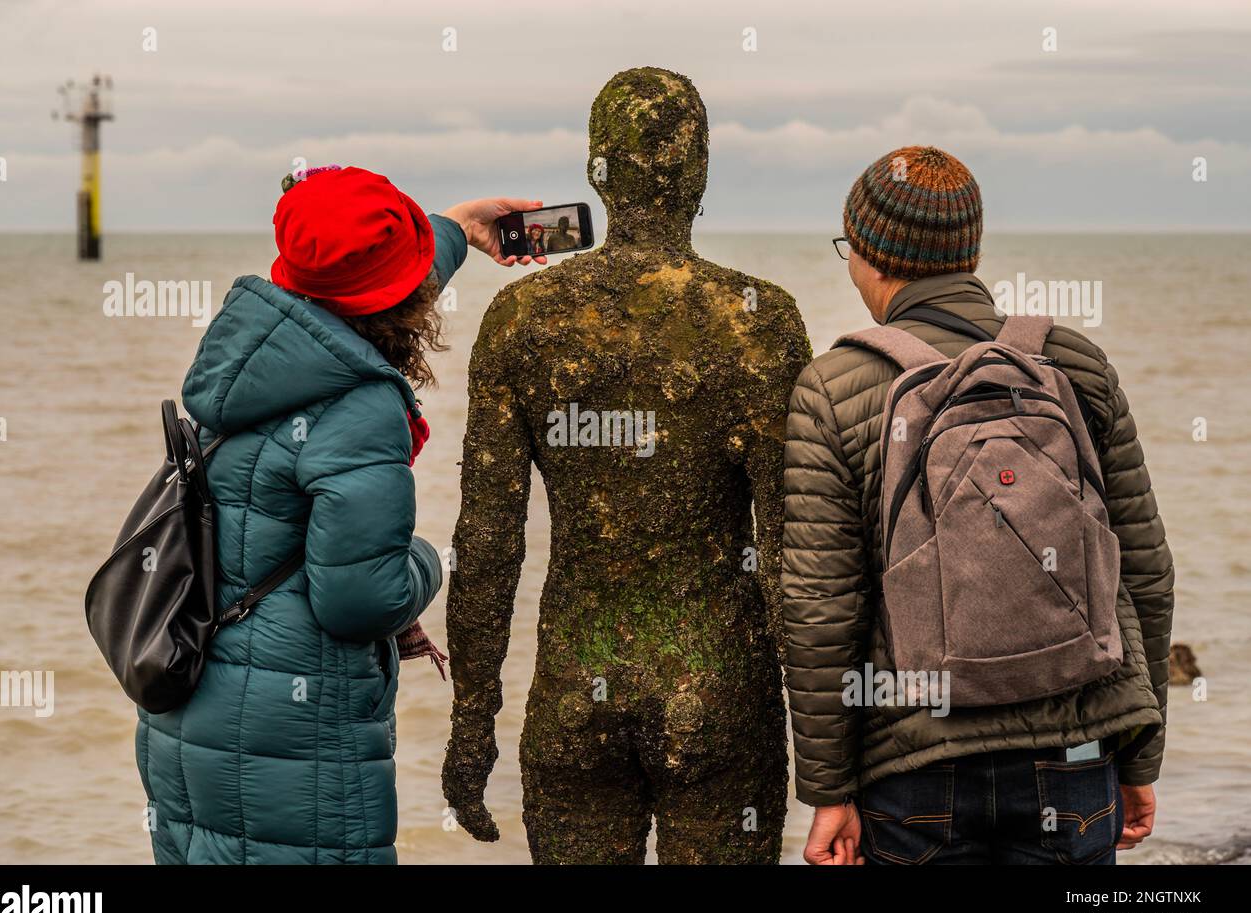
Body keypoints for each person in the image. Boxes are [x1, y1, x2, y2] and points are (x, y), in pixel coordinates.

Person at [441, 67, 812, 864]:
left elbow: (488, 542)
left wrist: (472, 724)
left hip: (578, 687)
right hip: (720, 690)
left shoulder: (524, 319)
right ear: (700, 171)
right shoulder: (759, 321)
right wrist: (832, 757)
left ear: (594, 174)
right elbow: (793, 555)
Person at [135, 164, 545, 864]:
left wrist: (460, 228)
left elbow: (349, 283)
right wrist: (422, 560)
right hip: (294, 756)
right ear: (400, 300)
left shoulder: (246, 350)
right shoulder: (362, 406)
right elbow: (359, 597)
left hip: (189, 724)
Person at [782, 146, 1173, 865]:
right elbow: (1143, 569)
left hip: (914, 772)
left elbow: (821, 610)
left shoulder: (831, 388)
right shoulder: (1074, 365)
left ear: (871, 255)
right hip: (1077, 757)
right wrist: (1141, 750)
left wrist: (828, 790)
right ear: (971, 249)